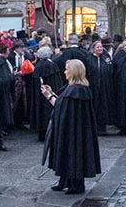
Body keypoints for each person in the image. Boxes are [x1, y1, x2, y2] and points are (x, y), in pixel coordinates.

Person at [42, 59, 100, 194]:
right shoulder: (75, 89)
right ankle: (65, 180)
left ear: (73, 72)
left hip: (73, 130)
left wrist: (49, 96)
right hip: (73, 128)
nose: (64, 71)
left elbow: (60, 106)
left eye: (67, 69)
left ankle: (75, 183)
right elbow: (64, 104)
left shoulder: (76, 90)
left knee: (73, 151)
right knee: (70, 152)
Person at [88, 39, 115, 136]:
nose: (100, 49)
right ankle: (94, 127)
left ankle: (102, 127)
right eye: (98, 47)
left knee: (103, 106)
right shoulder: (89, 59)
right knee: (95, 106)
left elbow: (111, 69)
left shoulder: (106, 58)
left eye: (101, 47)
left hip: (104, 87)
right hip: (93, 87)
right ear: (93, 49)